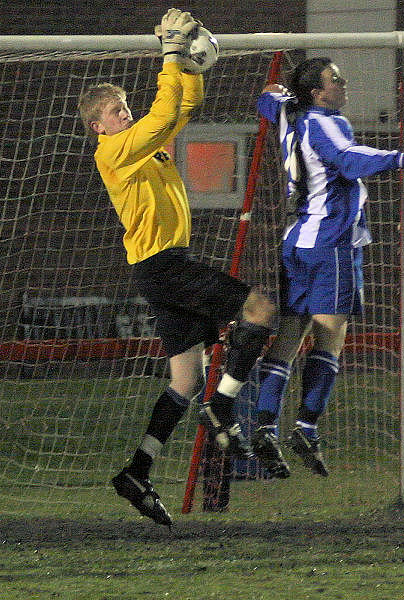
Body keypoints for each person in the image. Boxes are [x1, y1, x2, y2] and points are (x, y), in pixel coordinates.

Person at [78, 8, 276, 527]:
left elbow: (183, 107)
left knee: (185, 379)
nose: (126, 113)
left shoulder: (141, 145)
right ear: (99, 126)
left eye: (125, 106)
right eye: (117, 110)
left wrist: (187, 64)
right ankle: (225, 407)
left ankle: (137, 471)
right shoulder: (113, 150)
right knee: (259, 308)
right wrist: (169, 53)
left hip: (161, 268)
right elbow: (164, 116)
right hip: (164, 266)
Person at [251, 57, 404, 478]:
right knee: (329, 340)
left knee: (288, 338)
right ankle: (305, 427)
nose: (343, 84)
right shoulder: (325, 121)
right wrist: (402, 160)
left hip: (298, 241)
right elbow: (348, 159)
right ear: (318, 93)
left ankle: (264, 425)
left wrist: (272, 94)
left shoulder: (289, 111)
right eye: (335, 79)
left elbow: (268, 101)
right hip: (332, 245)